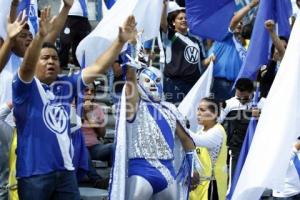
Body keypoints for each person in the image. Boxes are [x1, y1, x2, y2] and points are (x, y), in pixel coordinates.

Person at [12, 8, 137, 199]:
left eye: (54, 58)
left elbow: (97, 67)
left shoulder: (65, 85)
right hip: (34, 174)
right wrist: (40, 38)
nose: (51, 61)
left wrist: (120, 42)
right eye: (44, 58)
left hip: (66, 172)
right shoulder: (24, 87)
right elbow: (27, 66)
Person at [109, 50, 201, 199]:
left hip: (168, 172)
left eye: (157, 80)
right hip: (141, 170)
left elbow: (185, 139)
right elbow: (130, 81)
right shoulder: (135, 105)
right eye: (147, 80)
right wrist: (132, 64)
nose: (152, 84)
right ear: (140, 82)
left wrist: (192, 168)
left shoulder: (170, 108)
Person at [160, 1, 211, 104]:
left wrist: (210, 60)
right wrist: (165, 6)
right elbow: (163, 24)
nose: (184, 20)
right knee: (175, 115)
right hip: (174, 84)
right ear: (173, 22)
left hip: (193, 85)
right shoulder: (171, 36)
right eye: (180, 18)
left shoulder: (196, 41)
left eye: (186, 18)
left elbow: (201, 62)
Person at [209, 0, 259, 103]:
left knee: (234, 116)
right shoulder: (223, 37)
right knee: (220, 115)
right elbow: (235, 21)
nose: (239, 24)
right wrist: (252, 5)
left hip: (239, 86)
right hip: (221, 84)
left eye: (242, 22)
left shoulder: (245, 45)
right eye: (238, 22)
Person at [219, 78, 263, 179]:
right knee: (235, 175)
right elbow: (219, 122)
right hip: (235, 147)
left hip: (254, 146)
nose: (242, 100)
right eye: (239, 97)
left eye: (245, 97)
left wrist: (259, 116)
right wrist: (248, 114)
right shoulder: (228, 104)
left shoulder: (260, 104)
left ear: (251, 92)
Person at [189, 97, 228, 200]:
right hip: (200, 184)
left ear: (214, 114)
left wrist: (178, 125)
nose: (198, 113)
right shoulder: (201, 130)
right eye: (198, 109)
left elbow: (196, 140)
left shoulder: (217, 132)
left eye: (202, 110)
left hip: (212, 185)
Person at [257, 19, 288, 98]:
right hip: (267, 100)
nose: (280, 49)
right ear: (273, 48)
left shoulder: (290, 64)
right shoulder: (265, 65)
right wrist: (274, 62)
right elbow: (266, 80)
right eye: (277, 46)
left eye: (285, 47)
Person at [59, 0, 91, 69]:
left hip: (83, 16)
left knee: (81, 44)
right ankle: (62, 65)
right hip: (68, 14)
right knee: (65, 42)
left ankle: (79, 65)